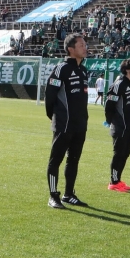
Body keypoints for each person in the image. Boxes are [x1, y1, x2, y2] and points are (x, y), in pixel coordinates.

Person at [45, 33, 90, 209]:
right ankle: (53, 196)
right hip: (64, 123)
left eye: (85, 44)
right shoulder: (61, 69)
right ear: (71, 49)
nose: (85, 48)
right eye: (81, 45)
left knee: (74, 160)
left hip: (80, 124)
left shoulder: (83, 70)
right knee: (55, 160)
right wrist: (55, 117)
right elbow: (50, 96)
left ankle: (69, 194)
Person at [104, 58, 130, 192]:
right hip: (120, 126)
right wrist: (111, 122)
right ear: (127, 70)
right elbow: (109, 105)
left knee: (125, 154)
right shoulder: (119, 84)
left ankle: (118, 180)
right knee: (118, 154)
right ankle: (113, 182)